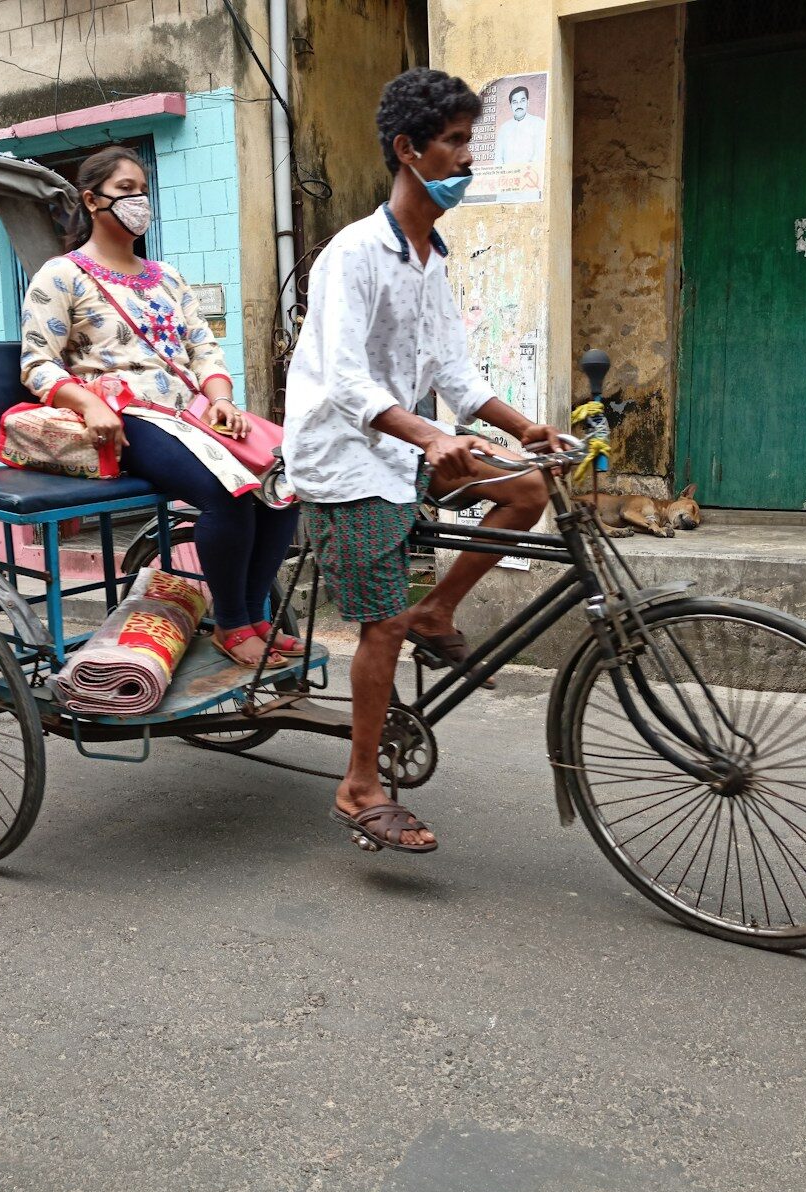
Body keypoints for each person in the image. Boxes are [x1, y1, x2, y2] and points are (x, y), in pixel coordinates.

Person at [283, 68, 565, 853]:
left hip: (400, 443)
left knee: (527, 488)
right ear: (409, 150)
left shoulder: (429, 258)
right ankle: (359, 784)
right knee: (381, 624)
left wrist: (526, 425)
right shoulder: (353, 254)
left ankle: (438, 611)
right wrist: (432, 438)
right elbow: (343, 381)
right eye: (454, 142)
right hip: (343, 454)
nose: (466, 159)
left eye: (470, 141)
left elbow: (458, 377)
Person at [18, 147, 300, 669]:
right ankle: (233, 626)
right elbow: (37, 364)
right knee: (229, 493)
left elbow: (203, 347)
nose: (137, 200)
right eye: (125, 189)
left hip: (193, 413)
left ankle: (258, 614)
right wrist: (87, 403)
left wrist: (221, 400)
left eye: (141, 189)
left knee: (287, 479)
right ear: (91, 199)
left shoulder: (167, 277)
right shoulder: (61, 276)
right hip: (128, 419)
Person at [493, 83, 545, 166]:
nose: (519, 105)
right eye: (515, 102)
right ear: (511, 106)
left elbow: (539, 155)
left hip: (531, 174)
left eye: (522, 100)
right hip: (508, 176)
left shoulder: (539, 123)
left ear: (528, 102)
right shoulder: (504, 128)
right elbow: (498, 158)